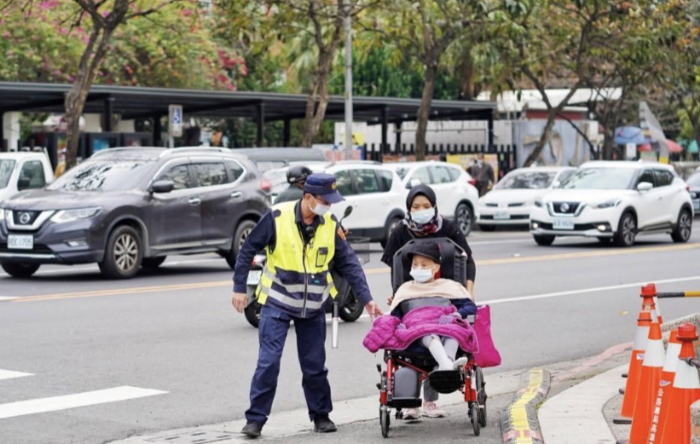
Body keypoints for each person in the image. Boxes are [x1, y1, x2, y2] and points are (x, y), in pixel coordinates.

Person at [232, 173, 383, 439]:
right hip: (277, 301)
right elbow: (247, 251)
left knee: (314, 365)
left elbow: (349, 262)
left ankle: (321, 415)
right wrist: (239, 288)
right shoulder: (277, 217)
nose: (329, 206)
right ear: (308, 197)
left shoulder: (329, 224)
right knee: (268, 363)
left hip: (312, 305)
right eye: (325, 200)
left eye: (331, 201)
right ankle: (255, 419)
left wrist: (367, 299)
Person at [380, 183, 476, 419]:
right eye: (416, 206)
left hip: (442, 297)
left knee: (451, 331)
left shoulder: (449, 229)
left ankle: (434, 395)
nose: (421, 210)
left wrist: (467, 292)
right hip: (413, 299)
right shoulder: (400, 232)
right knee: (418, 334)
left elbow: (468, 261)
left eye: (426, 206)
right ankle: (411, 402)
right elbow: (396, 268)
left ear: (434, 207)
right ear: (409, 208)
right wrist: (398, 297)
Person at [363, 241, 477, 368]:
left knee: (454, 330)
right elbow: (395, 316)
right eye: (415, 265)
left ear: (436, 268)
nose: (418, 268)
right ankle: (447, 365)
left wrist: (456, 314)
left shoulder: (449, 286)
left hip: (445, 324)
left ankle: (447, 364)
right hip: (418, 329)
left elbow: (470, 307)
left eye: (424, 265)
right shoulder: (405, 289)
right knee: (427, 332)